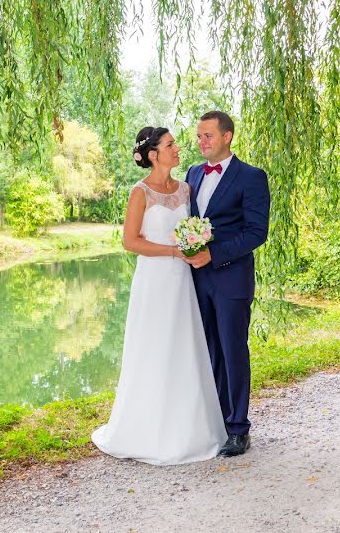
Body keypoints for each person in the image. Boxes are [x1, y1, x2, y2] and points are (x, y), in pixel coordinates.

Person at [92, 126, 227, 465]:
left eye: (176, 144)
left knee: (184, 346)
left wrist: (196, 243)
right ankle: (145, 430)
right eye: (170, 145)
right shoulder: (140, 193)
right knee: (153, 347)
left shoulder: (185, 189)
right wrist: (172, 252)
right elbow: (130, 241)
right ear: (154, 155)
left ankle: (192, 428)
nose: (178, 148)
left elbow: (193, 229)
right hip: (154, 280)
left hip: (183, 281)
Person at [183, 110, 270, 457]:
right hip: (194, 279)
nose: (202, 142)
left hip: (231, 277)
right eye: (199, 136)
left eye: (208, 136)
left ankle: (238, 429)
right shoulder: (192, 173)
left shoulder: (251, 177)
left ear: (227, 136)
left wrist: (214, 255)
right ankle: (216, 420)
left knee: (233, 350)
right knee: (208, 351)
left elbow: (256, 232)